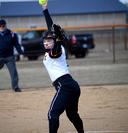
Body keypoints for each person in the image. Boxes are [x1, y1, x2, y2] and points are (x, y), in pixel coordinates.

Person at [39, 1, 84, 133]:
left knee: (52, 114)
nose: (46, 43)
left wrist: (58, 41)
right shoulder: (52, 47)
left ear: (54, 42)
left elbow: (56, 50)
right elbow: (50, 28)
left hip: (64, 85)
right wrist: (45, 10)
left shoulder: (56, 50)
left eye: (49, 41)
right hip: (72, 85)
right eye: (45, 41)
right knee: (72, 114)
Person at [0, 19, 24, 93]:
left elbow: (17, 45)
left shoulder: (12, 34)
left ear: (5, 26)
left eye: (3, 26)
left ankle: (15, 87)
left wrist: (21, 53)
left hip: (9, 56)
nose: (2, 27)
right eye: (0, 26)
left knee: (13, 72)